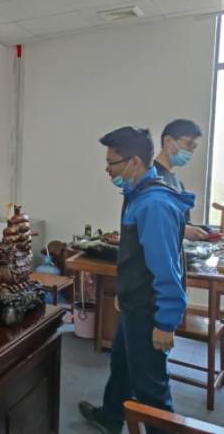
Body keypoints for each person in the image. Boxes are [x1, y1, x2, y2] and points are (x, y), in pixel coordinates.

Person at [79, 127, 194, 434]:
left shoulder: (154, 204)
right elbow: (138, 258)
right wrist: (125, 292)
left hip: (148, 312)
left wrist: (165, 323)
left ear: (135, 162)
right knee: (122, 362)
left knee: (151, 390)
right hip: (135, 304)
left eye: (112, 162)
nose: (107, 169)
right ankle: (111, 416)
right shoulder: (138, 196)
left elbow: (167, 269)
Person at [154, 119, 207, 241]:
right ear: (168, 141)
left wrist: (206, 233)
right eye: (189, 144)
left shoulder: (177, 183)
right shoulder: (147, 177)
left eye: (194, 146)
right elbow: (142, 221)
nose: (191, 151)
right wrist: (180, 229)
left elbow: (182, 222)